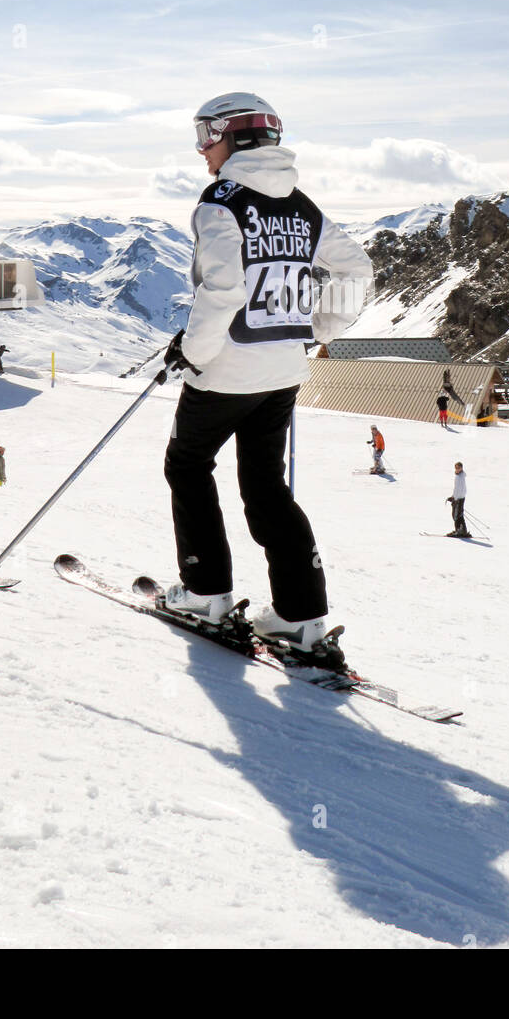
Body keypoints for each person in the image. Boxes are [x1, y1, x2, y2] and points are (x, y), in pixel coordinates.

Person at [161, 92, 374, 651]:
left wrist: (196, 352)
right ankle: (300, 617)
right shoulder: (303, 206)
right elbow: (356, 269)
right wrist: (318, 327)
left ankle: (206, 593)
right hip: (283, 370)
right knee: (265, 485)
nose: (202, 149)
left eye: (207, 135)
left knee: (187, 465)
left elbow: (224, 287)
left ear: (235, 136)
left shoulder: (222, 201)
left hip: (227, 369)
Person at [447, 462, 469, 537]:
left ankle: (459, 531)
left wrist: (455, 499)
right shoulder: (459, 476)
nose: (457, 469)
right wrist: (453, 496)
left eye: (458, 468)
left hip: (459, 499)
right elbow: (456, 489)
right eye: (456, 468)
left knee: (457, 515)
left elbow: (460, 490)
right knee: (458, 515)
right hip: (459, 498)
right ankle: (462, 530)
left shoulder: (460, 477)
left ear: (461, 468)